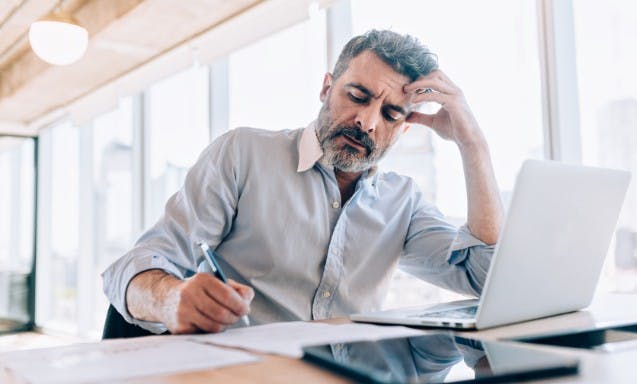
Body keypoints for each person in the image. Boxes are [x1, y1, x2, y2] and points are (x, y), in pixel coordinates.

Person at [102, 29, 504, 334]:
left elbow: (489, 281)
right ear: (326, 88)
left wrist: (473, 145)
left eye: (391, 114)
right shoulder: (243, 154)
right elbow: (134, 267)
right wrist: (170, 298)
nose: (367, 122)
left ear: (404, 128)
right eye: (357, 96)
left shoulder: (404, 201)